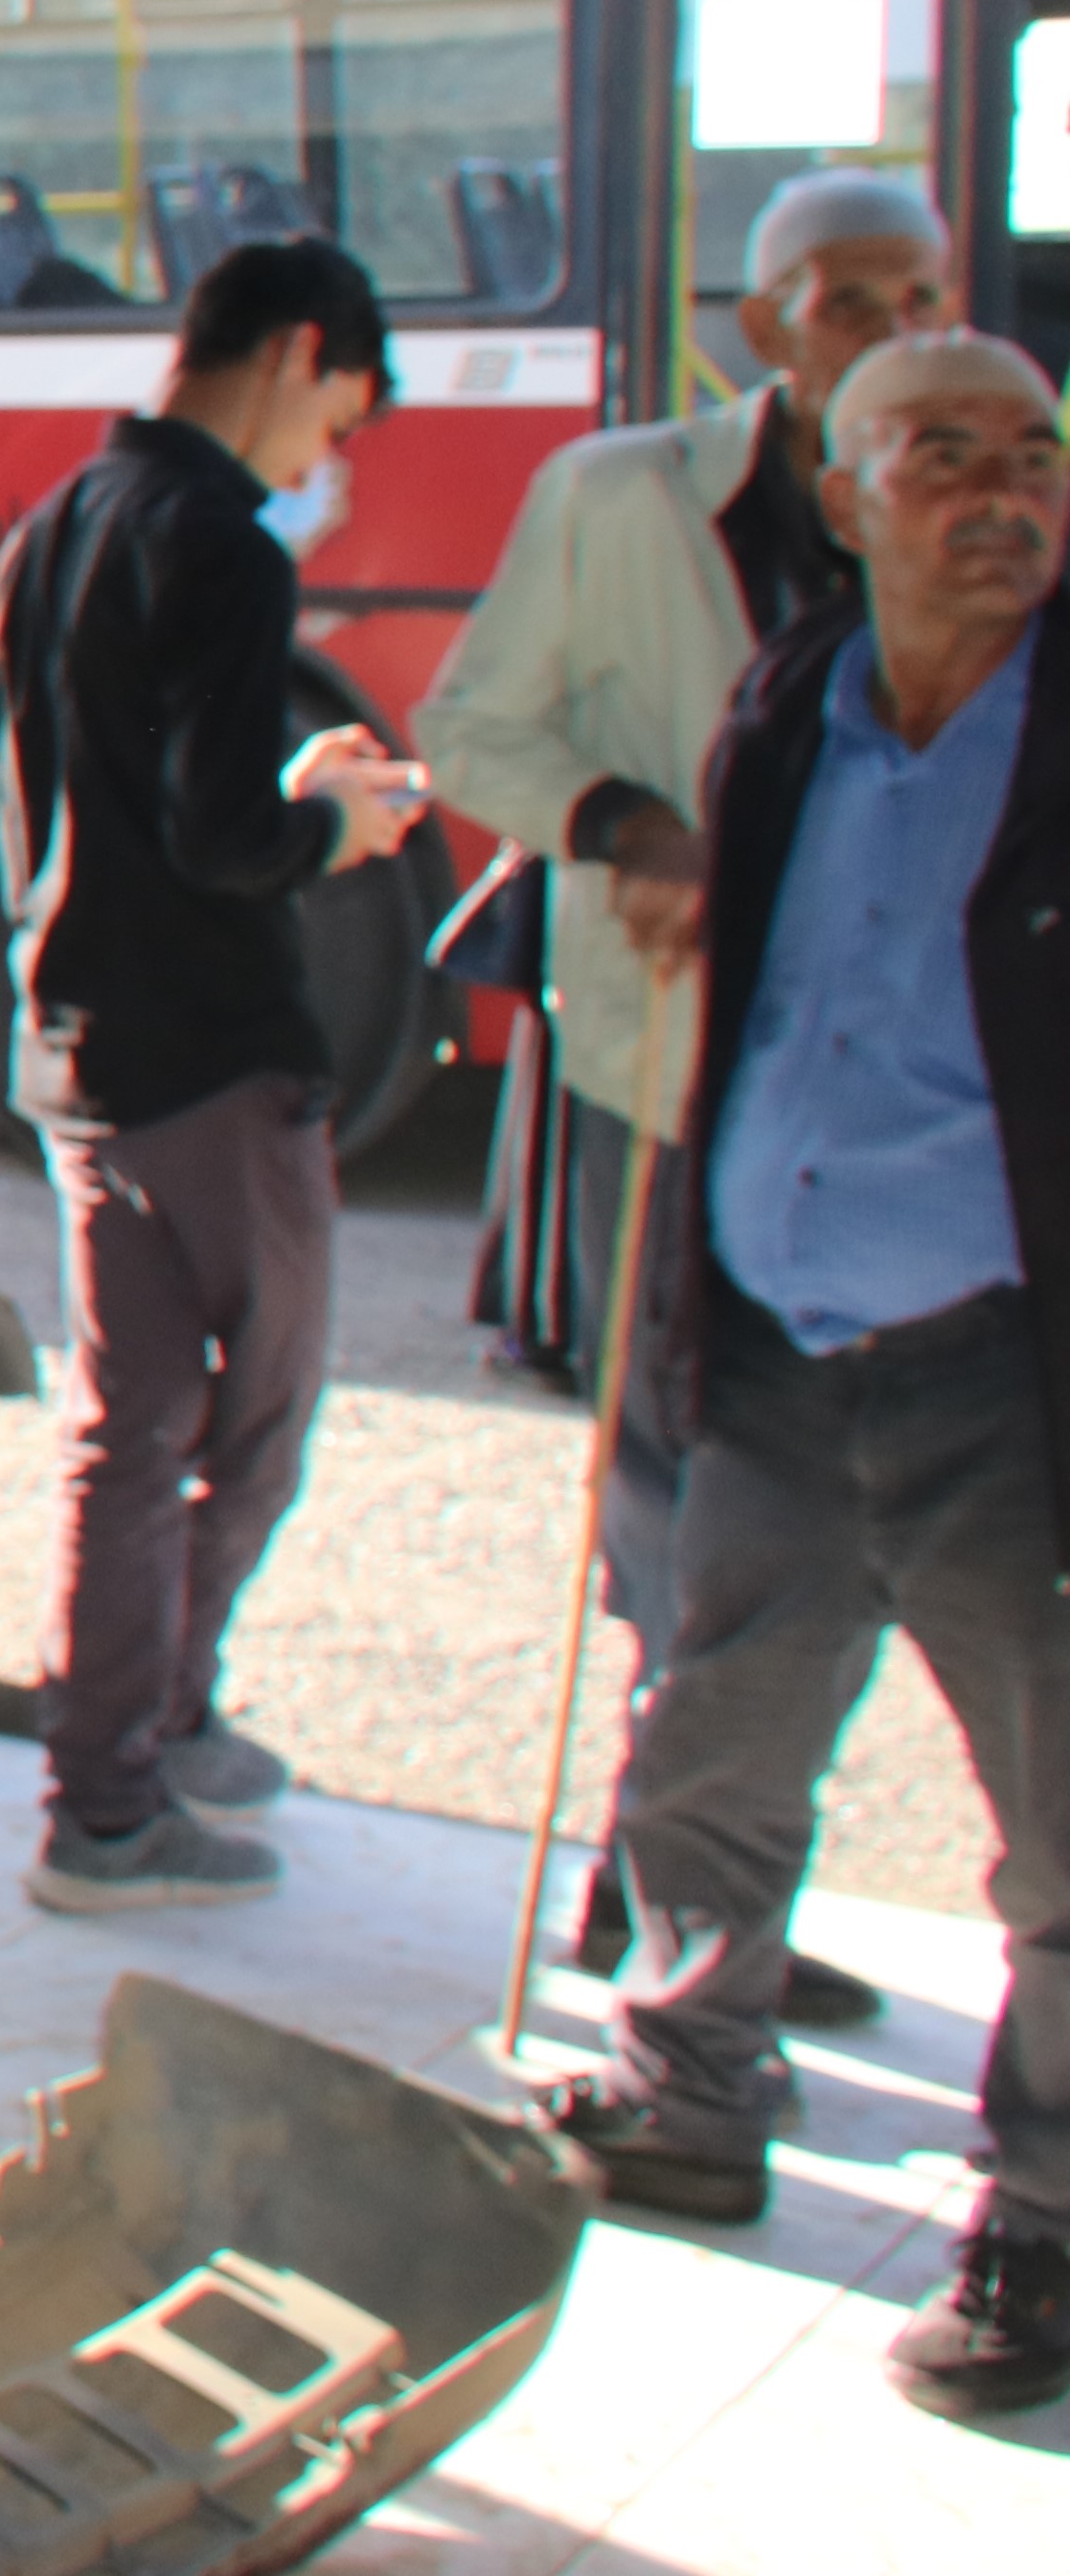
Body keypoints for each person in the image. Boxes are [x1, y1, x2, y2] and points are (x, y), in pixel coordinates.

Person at [535, 330, 1070, 2426]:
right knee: (716, 1750)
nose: (1002, 487)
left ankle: (1039, 2217)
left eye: (1034, 448)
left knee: (1057, 1834)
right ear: (841, 497)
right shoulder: (787, 703)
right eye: (940, 451)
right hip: (767, 1347)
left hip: (999, 1375)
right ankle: (688, 2088)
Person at [419, 169, 948, 2022]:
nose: (898, 333)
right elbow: (476, 729)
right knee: (677, 1498)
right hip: (663, 1078)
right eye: (854, 300)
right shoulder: (623, 495)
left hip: (887, 1122)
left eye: (925, 295)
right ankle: (668, 1899)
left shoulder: (982, 518)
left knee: (852, 1526)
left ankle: (716, 1886)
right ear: (766, 326)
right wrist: (628, 829)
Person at [0, 234, 426, 1913]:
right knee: (263, 1418)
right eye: (343, 417)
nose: (333, 461)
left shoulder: (55, 526)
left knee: (129, 1432)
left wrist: (277, 785)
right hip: (218, 1060)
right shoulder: (222, 545)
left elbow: (85, 792)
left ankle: (105, 1797)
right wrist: (344, 822)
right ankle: (155, 1715)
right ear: (301, 350)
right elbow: (231, 835)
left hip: (80, 1048)